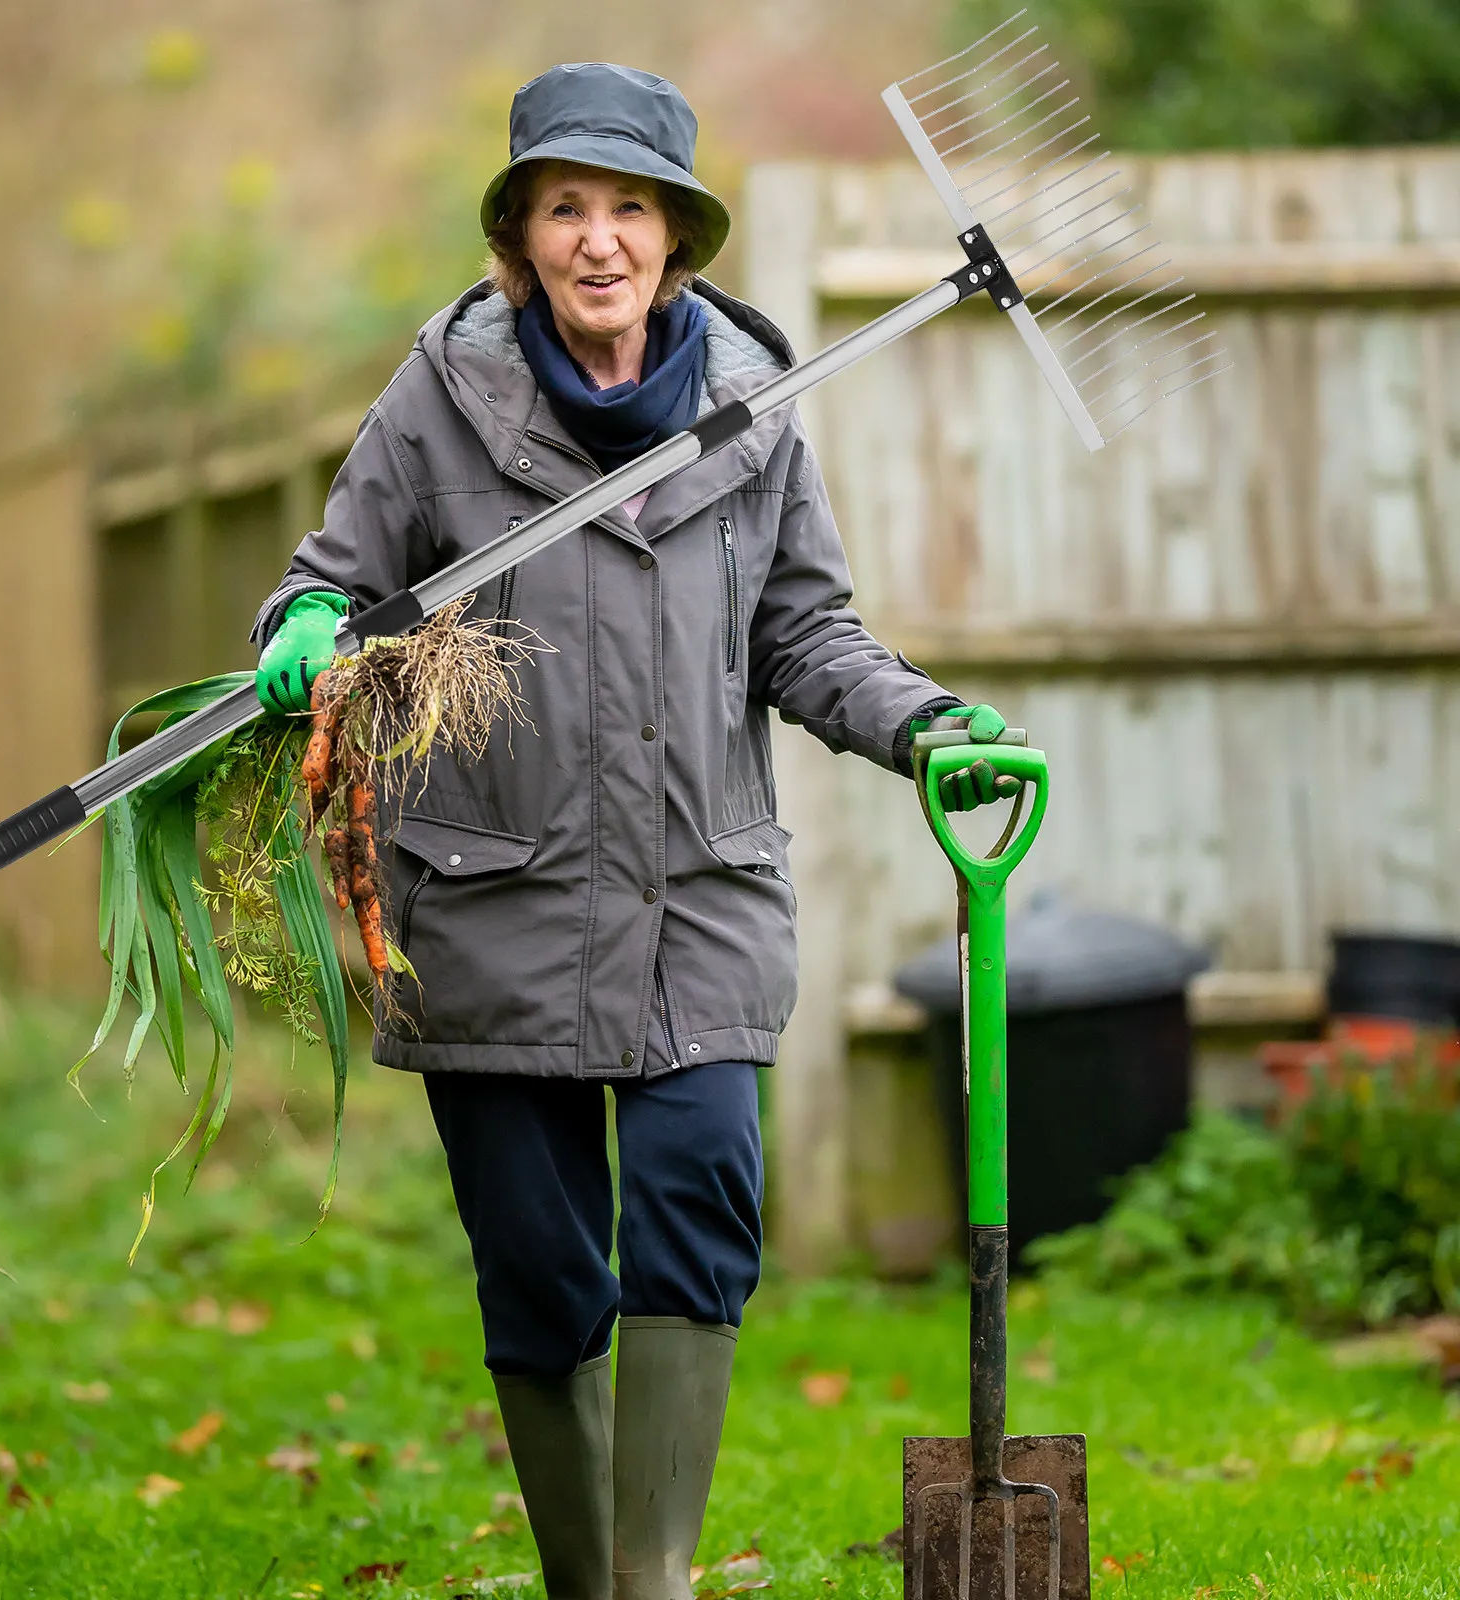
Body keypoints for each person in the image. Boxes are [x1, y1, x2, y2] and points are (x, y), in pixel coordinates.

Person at [250, 61, 1011, 1600]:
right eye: (566, 208)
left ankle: (651, 1581)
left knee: (698, 1213)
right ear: (520, 237)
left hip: (697, 897)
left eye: (630, 208)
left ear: (676, 235)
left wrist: (921, 720)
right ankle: (588, 1583)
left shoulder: (758, 415)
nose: (600, 239)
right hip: (492, 906)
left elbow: (806, 638)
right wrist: (312, 624)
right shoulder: (441, 401)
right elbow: (324, 577)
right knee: (540, 1278)